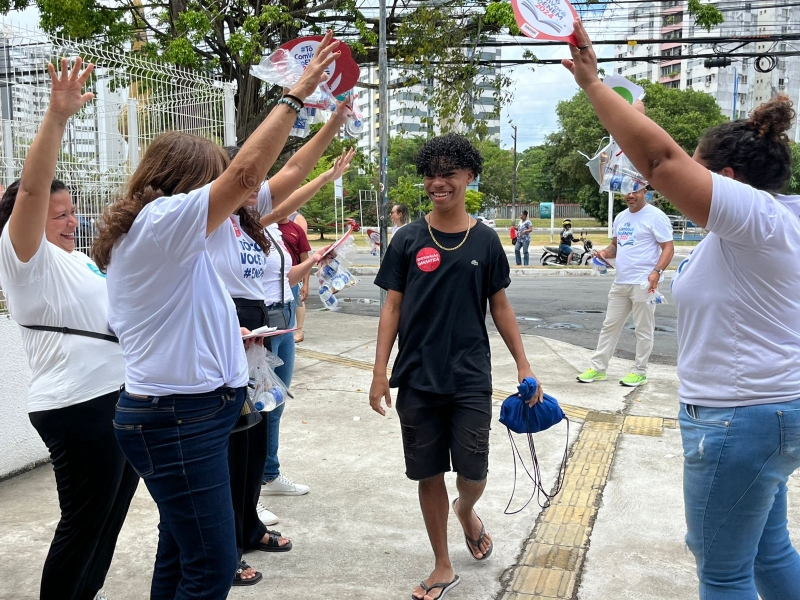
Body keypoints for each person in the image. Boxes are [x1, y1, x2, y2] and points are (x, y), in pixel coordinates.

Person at [92, 33, 337, 600]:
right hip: (179, 418)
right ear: (187, 183)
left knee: (180, 550)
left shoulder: (172, 239)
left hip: (189, 412)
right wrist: (298, 93)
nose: (227, 197)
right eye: (214, 181)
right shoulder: (161, 224)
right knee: (211, 563)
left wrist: (232, 333)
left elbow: (188, 310)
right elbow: (249, 176)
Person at [566, 19, 800, 599]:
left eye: (698, 171)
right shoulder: (772, 224)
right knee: (769, 551)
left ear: (727, 181)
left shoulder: (758, 219)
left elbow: (662, 162)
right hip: (768, 412)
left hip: (740, 417)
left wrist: (596, 87)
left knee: (721, 571)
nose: (677, 183)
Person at [369, 133, 543, 600]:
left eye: (449, 173)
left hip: (470, 376)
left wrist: (524, 365)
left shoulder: (485, 241)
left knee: (473, 473)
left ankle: (466, 511)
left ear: (469, 176)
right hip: (418, 378)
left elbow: (501, 308)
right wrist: (379, 369)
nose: (437, 182)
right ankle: (442, 564)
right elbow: (391, 308)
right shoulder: (407, 239)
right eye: (431, 173)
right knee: (427, 472)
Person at [0, 58, 138, 600]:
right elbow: (31, 195)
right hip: (77, 405)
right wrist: (56, 119)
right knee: (82, 520)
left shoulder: (78, 260)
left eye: (72, 211)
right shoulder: (22, 256)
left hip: (115, 397)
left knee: (111, 512)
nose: (71, 221)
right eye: (59, 214)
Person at [576, 184, 673, 387]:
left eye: (635, 191)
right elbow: (615, 246)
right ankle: (598, 368)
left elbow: (668, 248)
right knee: (609, 326)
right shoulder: (621, 217)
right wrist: (603, 253)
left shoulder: (656, 216)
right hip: (621, 280)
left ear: (644, 192)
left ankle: (640, 371)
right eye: (627, 191)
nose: (630, 195)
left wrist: (657, 272)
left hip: (644, 282)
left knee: (643, 329)